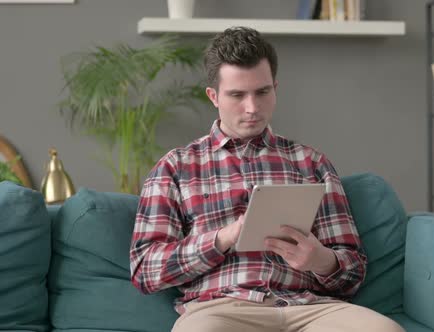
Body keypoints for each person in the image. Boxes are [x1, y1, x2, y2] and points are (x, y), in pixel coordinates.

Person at [130, 26, 404, 332]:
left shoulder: (311, 162)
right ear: (213, 96)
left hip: (309, 307)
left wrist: (321, 260)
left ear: (275, 87)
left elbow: (353, 270)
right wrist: (222, 239)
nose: (252, 108)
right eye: (237, 95)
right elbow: (146, 271)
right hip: (222, 309)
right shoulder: (176, 167)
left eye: (262, 92)